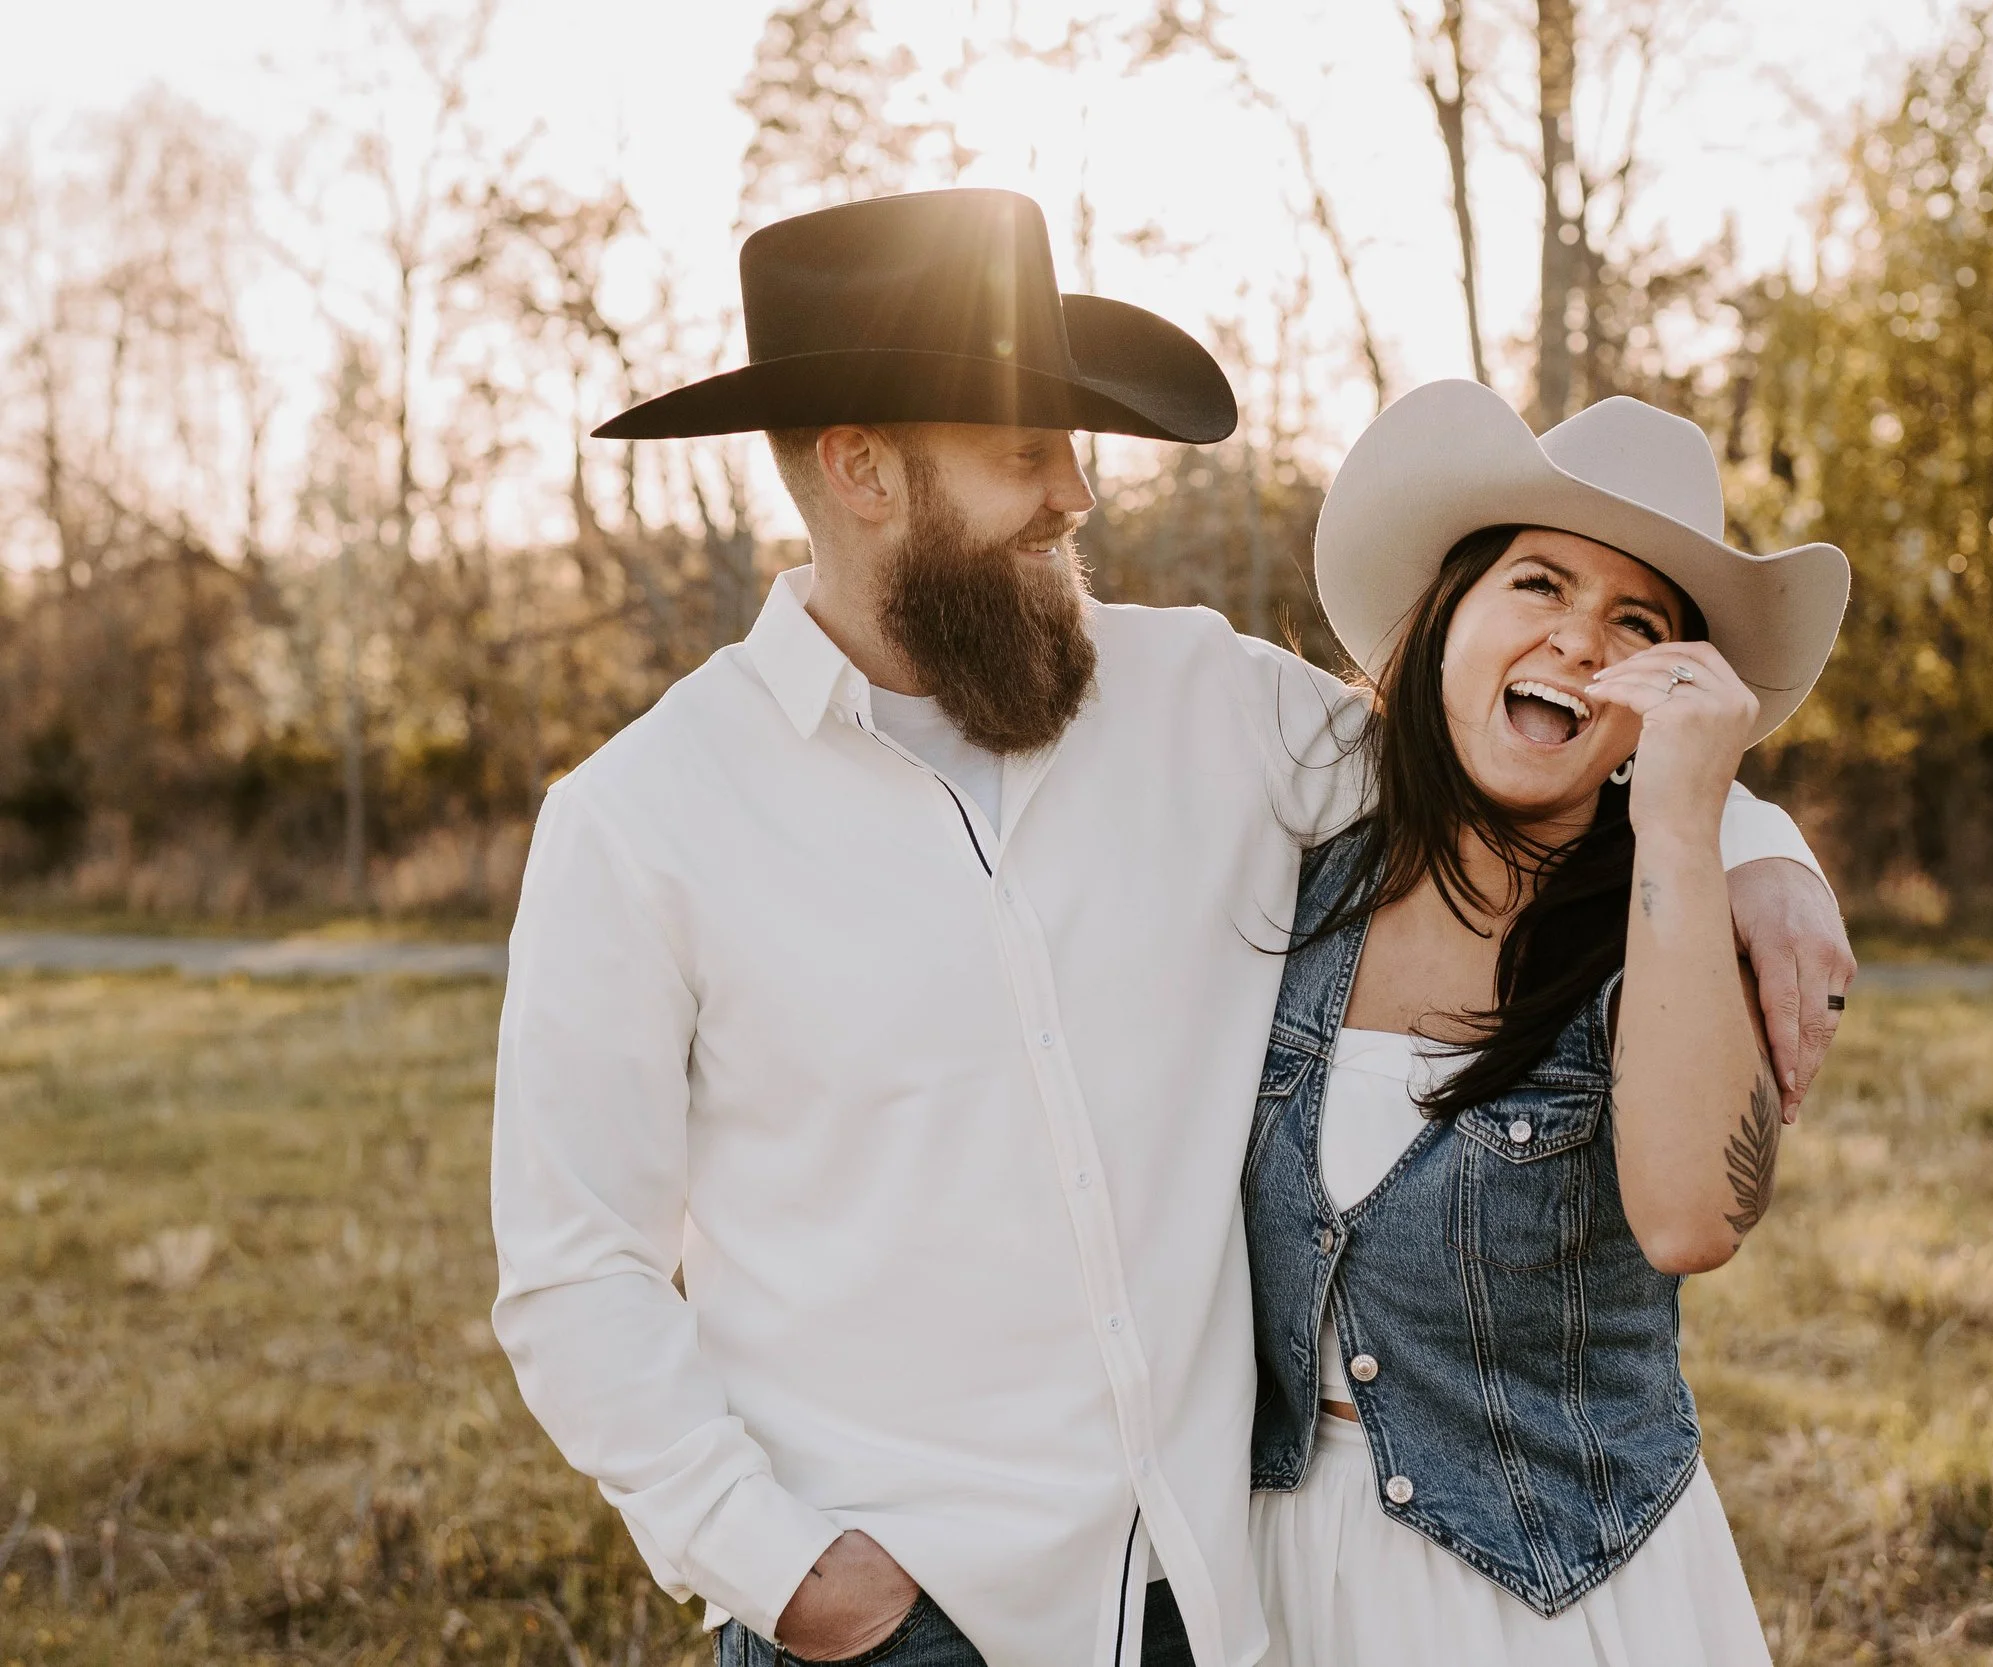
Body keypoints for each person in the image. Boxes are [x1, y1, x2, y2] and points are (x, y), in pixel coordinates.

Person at [488, 189, 1855, 1667]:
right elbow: (579, 1269)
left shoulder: (1204, 701)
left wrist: (1757, 845)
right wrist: (789, 1566)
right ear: (863, 469)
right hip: (898, 1617)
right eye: (1027, 453)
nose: (1078, 492)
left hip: (1207, 1592)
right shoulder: (642, 822)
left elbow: (1494, 753)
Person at [1244, 379, 1852, 1666]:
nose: (1581, 639)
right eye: (1537, 585)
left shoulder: (1674, 926)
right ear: (1444, 618)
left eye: (1636, 623)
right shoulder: (1289, 870)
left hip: (1552, 1602)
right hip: (1272, 1578)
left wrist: (1701, 818)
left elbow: (1696, 1219)